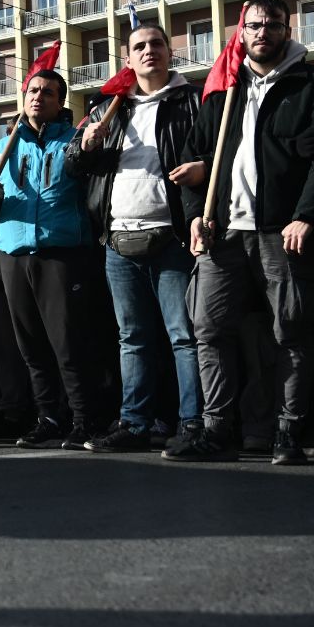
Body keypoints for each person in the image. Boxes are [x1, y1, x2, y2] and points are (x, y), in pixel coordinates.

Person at [167, 0, 314, 465]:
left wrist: (305, 214)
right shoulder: (222, 88)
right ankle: (216, 431)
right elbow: (193, 162)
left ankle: (288, 432)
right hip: (222, 232)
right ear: (241, 33)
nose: (263, 32)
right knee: (209, 330)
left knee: (290, 331)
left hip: (281, 231)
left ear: (288, 30)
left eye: (273, 25)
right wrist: (195, 216)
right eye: (255, 25)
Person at [69, 23, 203, 454]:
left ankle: (193, 423)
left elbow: (218, 152)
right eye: (140, 46)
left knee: (184, 335)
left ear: (169, 51)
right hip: (118, 242)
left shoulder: (194, 99)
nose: (149, 51)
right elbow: (72, 166)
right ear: (127, 59)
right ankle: (134, 423)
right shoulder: (107, 107)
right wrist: (86, 146)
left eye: (157, 44)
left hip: (173, 238)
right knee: (133, 339)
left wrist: (201, 169)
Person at [0, 68, 107, 449]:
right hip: (13, 255)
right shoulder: (0, 149)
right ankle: (48, 417)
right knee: (30, 345)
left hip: (61, 254)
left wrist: (90, 148)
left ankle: (84, 419)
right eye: (33, 90)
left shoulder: (75, 141)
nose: (38, 97)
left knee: (69, 342)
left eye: (48, 92)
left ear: (60, 102)